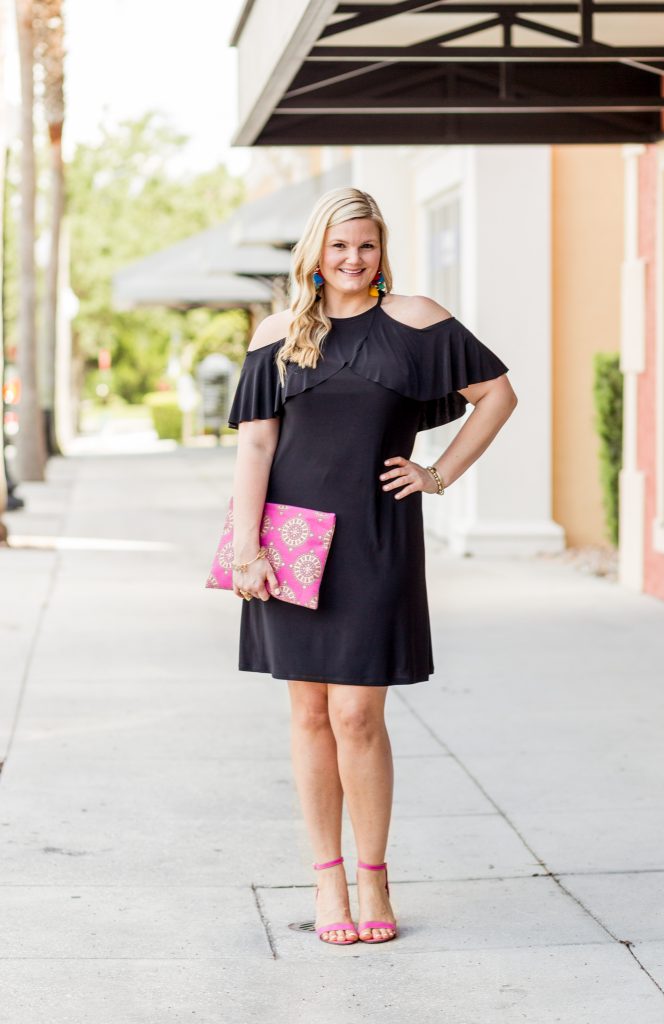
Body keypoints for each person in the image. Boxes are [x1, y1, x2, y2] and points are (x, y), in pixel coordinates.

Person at [227, 186, 517, 946]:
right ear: (315, 254)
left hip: (377, 536)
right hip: (292, 539)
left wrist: (438, 475)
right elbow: (256, 445)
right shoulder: (279, 332)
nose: (354, 259)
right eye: (339, 246)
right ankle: (326, 880)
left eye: (367, 245)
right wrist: (247, 547)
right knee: (309, 712)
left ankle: (373, 874)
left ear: (381, 250)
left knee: (359, 713)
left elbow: (497, 395)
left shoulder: (416, 320)